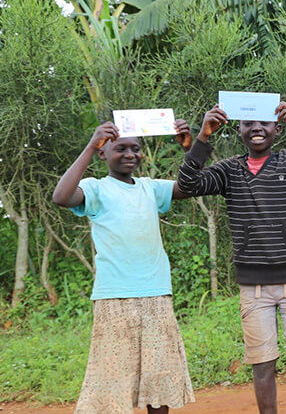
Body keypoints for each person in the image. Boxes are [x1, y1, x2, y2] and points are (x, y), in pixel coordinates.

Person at [176, 102, 286, 414]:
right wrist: (202, 137)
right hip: (252, 289)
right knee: (263, 366)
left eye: (264, 122)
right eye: (248, 122)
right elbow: (188, 184)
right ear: (238, 129)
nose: (256, 128)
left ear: (278, 129)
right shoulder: (228, 171)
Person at [52, 120, 196, 414]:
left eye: (135, 148)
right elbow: (61, 197)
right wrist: (90, 145)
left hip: (156, 294)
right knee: (113, 380)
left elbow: (191, 186)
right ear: (103, 154)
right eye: (120, 149)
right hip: (114, 298)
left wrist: (190, 148)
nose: (130, 154)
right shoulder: (95, 188)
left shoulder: (150, 188)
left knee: (159, 378)